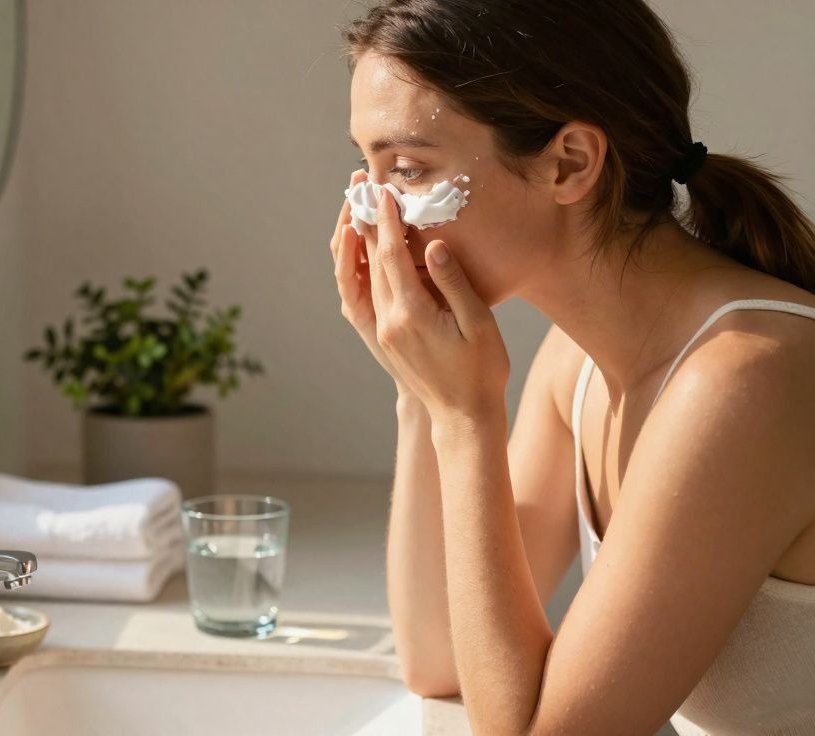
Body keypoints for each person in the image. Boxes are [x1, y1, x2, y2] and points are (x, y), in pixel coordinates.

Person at [327, 1, 815, 734]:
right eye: (366, 169)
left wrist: (468, 420)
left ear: (571, 163)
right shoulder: (577, 365)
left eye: (407, 169)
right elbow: (439, 659)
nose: (374, 214)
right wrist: (422, 395)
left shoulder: (746, 378)